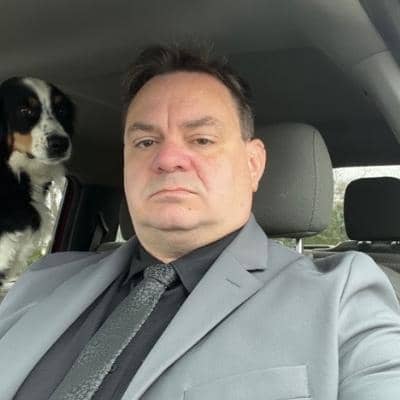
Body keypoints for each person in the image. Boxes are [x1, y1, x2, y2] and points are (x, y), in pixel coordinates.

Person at [0, 44, 400, 400]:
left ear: (253, 164)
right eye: (145, 142)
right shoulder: (44, 279)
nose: (167, 159)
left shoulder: (342, 296)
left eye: (201, 139)